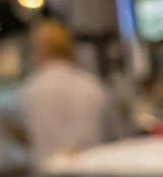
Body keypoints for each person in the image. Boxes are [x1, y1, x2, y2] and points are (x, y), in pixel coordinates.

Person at [17, 20, 119, 165]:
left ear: (42, 49)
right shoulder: (92, 85)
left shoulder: (28, 91)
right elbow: (114, 135)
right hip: (94, 175)